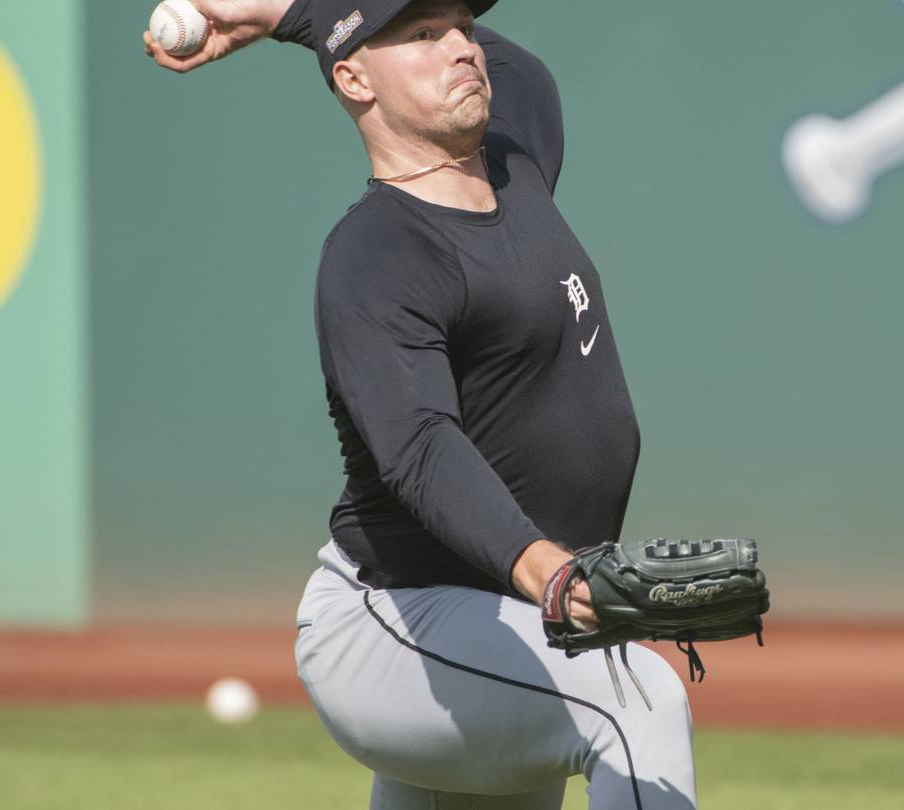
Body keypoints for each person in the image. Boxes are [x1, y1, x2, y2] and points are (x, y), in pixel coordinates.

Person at [145, 1, 698, 806]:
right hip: (395, 625)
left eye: (464, 27)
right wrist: (547, 571)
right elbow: (419, 446)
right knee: (635, 700)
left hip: (501, 626)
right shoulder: (376, 255)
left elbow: (521, 74)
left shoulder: (518, 164)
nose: (463, 48)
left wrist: (292, 12)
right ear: (353, 78)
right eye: (424, 34)